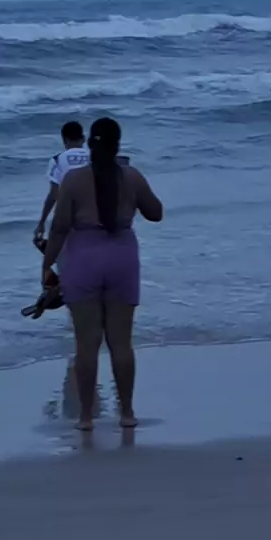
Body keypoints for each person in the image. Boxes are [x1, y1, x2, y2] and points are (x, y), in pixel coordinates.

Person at [42, 117, 163, 431]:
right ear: (117, 145)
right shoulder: (131, 176)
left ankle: (85, 417)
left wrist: (47, 265)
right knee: (121, 343)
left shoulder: (74, 181)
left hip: (83, 259)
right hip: (123, 258)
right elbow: (156, 213)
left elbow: (60, 227)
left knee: (86, 345)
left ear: (90, 144)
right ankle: (127, 413)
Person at [34, 120, 89, 245]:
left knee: (62, 247)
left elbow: (54, 194)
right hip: (95, 212)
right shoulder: (95, 158)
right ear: (83, 138)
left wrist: (42, 222)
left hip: (69, 213)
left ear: (64, 140)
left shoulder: (58, 160)